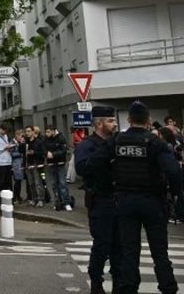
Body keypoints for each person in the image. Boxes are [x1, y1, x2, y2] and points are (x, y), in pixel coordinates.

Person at [112, 100, 182, 294]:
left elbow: (96, 163)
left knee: (129, 250)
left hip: (125, 200)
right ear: (149, 120)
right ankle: (168, 287)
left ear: (129, 119)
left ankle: (128, 287)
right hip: (152, 200)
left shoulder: (118, 140)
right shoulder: (155, 143)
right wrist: (175, 195)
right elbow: (174, 171)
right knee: (159, 251)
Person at [76, 106, 120, 294]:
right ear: (99, 123)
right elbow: (82, 168)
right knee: (102, 244)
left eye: (114, 120)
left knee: (120, 245)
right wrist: (104, 153)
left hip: (119, 198)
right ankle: (96, 281)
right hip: (100, 199)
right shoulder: (87, 145)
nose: (115, 124)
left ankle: (119, 281)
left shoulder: (117, 142)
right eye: (110, 121)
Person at [44, 125, 73, 211]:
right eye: (46, 132)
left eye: (48, 132)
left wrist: (53, 154)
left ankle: (66, 202)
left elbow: (63, 150)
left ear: (53, 131)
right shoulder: (46, 140)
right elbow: (43, 149)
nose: (46, 134)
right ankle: (58, 202)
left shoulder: (61, 138)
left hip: (60, 164)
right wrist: (46, 154)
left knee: (62, 183)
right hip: (51, 164)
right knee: (54, 184)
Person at [24, 125, 46, 207]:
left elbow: (43, 153)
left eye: (29, 131)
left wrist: (34, 152)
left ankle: (41, 199)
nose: (27, 133)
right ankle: (34, 198)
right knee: (31, 183)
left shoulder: (39, 142)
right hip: (28, 164)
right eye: (26, 131)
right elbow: (22, 152)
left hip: (36, 163)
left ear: (33, 132)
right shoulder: (26, 143)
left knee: (38, 183)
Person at [11, 130, 26, 204]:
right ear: (16, 135)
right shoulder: (12, 143)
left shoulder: (21, 143)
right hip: (15, 164)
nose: (22, 138)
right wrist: (20, 154)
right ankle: (15, 196)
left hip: (21, 164)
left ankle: (18, 196)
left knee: (19, 181)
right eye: (21, 136)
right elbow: (11, 154)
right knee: (17, 181)